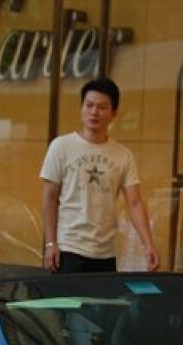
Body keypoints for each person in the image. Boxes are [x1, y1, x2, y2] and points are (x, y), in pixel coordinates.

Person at [40, 77, 159, 273]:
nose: (94, 112)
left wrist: (148, 244)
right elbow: (49, 197)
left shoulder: (123, 155)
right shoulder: (61, 147)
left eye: (102, 107)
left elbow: (135, 202)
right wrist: (50, 243)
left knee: (103, 303)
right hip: (69, 247)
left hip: (106, 252)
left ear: (113, 114)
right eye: (89, 105)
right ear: (81, 108)